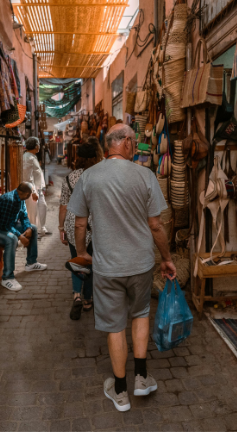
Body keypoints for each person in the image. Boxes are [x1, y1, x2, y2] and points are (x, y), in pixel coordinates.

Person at [67, 124, 176, 412]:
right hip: (140, 263)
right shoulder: (145, 175)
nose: (136, 146)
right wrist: (166, 258)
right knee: (140, 315)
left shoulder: (89, 177)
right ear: (127, 142)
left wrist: (81, 253)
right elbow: (156, 225)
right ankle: (141, 378)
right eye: (135, 142)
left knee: (115, 326)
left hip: (107, 267)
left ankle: (119, 391)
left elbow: (79, 223)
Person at [59, 137, 104, 320]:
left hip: (73, 221)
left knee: (78, 259)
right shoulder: (101, 175)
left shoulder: (70, 177)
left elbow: (63, 205)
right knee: (91, 263)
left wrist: (61, 227)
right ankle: (87, 300)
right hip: (95, 223)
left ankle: (76, 294)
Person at [0, 183, 47, 292]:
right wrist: (20, 236)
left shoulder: (20, 198)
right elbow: (5, 225)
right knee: (12, 239)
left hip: (5, 225)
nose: (31, 195)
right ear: (25, 194)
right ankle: (7, 278)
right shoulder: (8, 200)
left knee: (33, 228)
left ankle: (31, 262)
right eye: (30, 194)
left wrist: (28, 228)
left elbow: (23, 216)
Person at [22, 137, 50, 236]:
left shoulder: (32, 156)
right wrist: (33, 191)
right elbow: (27, 176)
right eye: (38, 144)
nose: (39, 146)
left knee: (42, 206)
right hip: (32, 189)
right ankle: (33, 231)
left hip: (38, 188)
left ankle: (41, 228)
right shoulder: (28, 158)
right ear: (34, 146)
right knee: (32, 211)